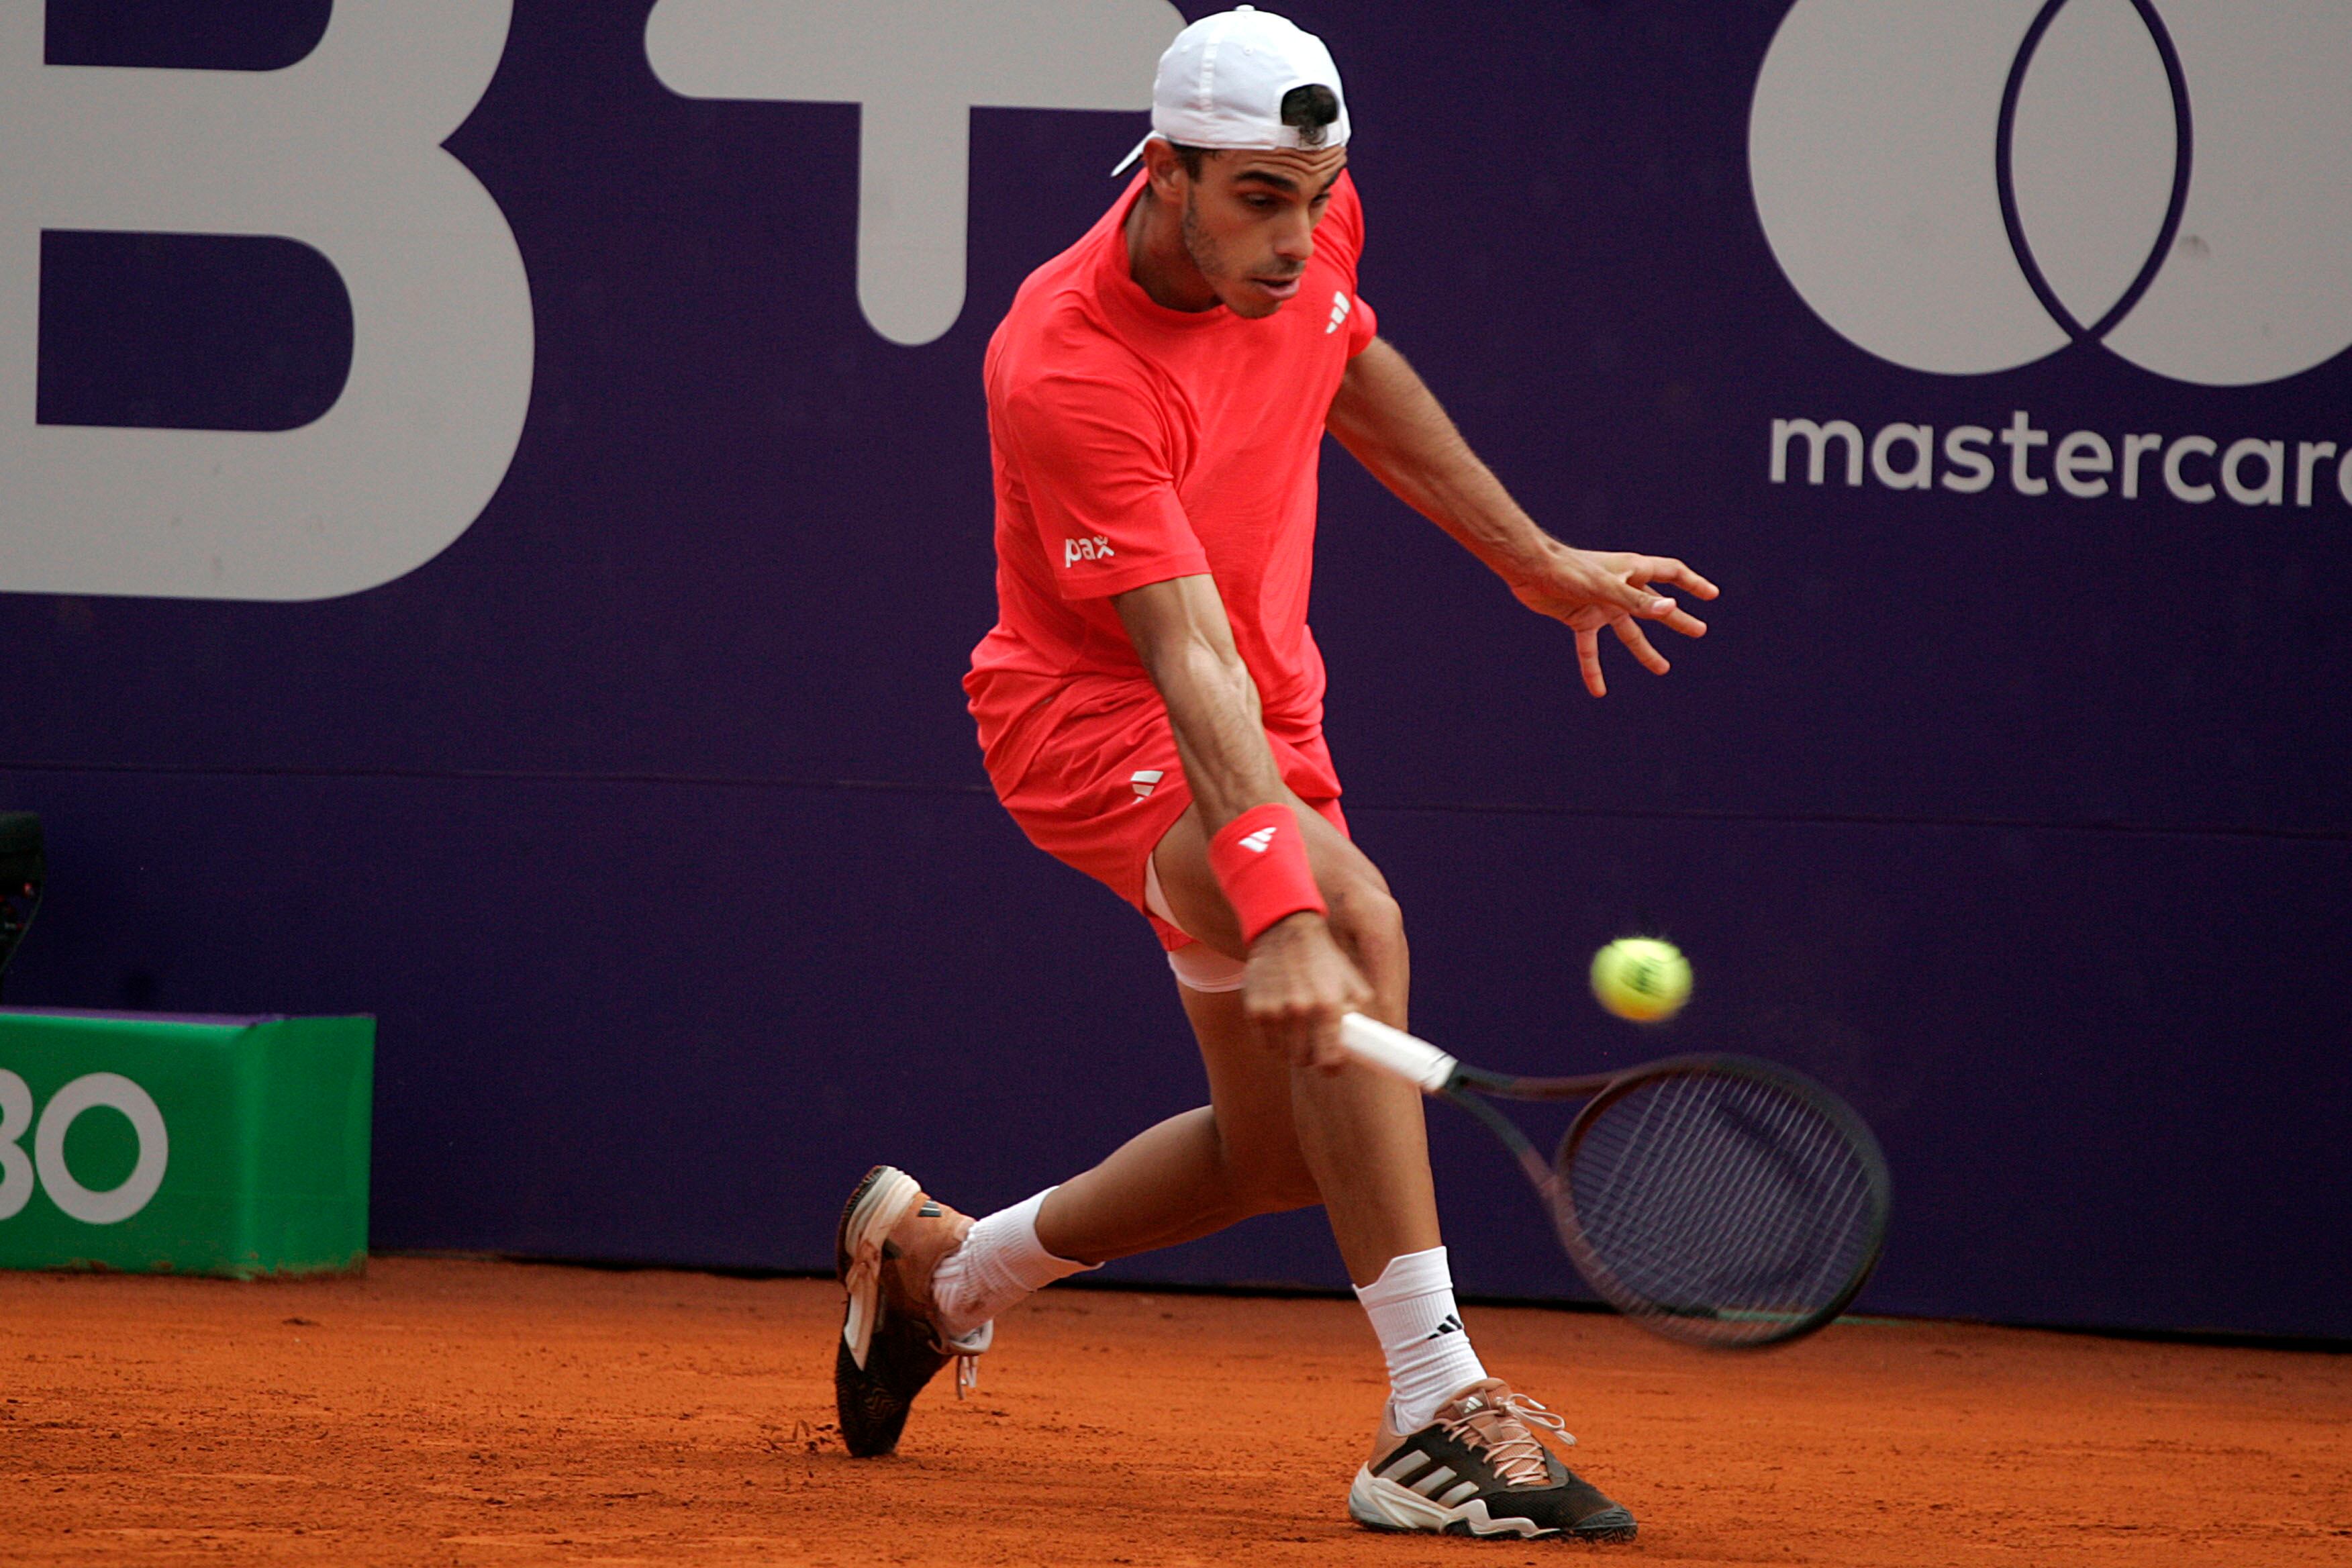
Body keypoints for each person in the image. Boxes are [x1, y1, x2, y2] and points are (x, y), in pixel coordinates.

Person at [834, 7, 1716, 1543]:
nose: (1298, 234)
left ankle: (939, 1271)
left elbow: (1347, 355)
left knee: (1281, 1153)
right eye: (1258, 200)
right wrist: (1282, 901)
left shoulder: (1310, 213)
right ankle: (1434, 1411)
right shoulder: (1067, 361)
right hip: (1091, 718)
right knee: (1350, 920)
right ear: (1160, 173)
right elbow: (1183, 659)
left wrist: (1532, 558)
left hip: (1268, 718)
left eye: (1317, 197)